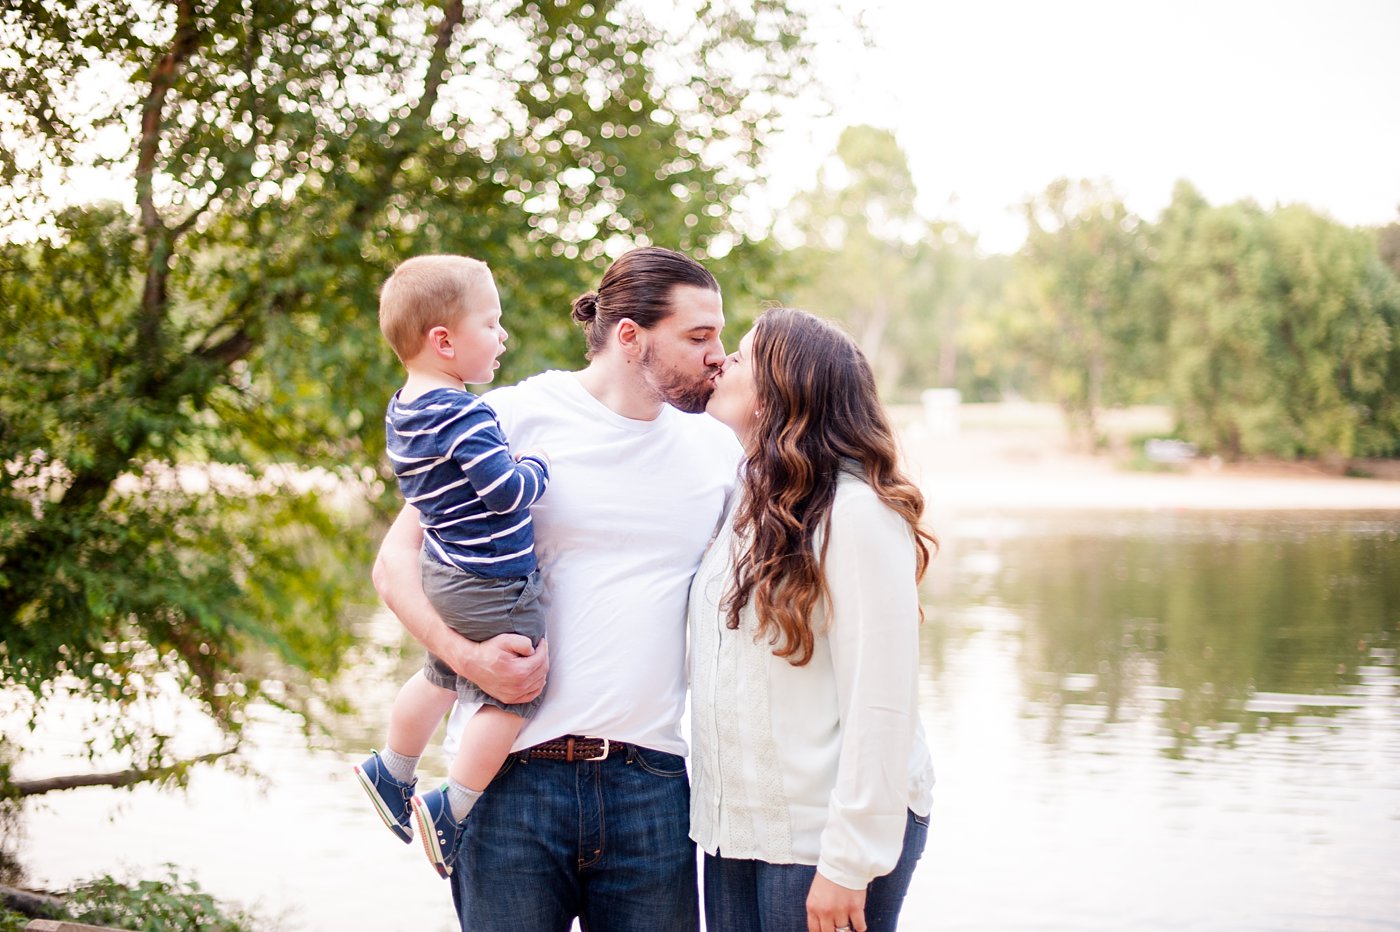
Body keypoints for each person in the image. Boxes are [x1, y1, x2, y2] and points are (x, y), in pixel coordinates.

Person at [372, 246, 741, 931]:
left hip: (653, 784)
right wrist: (465, 657)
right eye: (698, 337)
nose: (718, 354)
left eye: (718, 336)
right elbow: (394, 563)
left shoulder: (720, 449)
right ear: (630, 335)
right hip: (507, 781)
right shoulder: (511, 416)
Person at [688, 307, 937, 932]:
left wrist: (848, 863)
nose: (722, 361)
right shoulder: (749, 505)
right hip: (732, 832)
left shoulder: (857, 515)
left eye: (742, 354)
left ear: (784, 389)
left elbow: (882, 702)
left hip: (824, 843)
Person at [354, 255, 551, 878]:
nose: (503, 337)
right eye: (491, 324)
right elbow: (505, 493)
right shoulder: (465, 414)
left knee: (443, 674)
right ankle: (452, 806)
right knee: (517, 690)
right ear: (444, 341)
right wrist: (539, 468)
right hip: (493, 580)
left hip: (445, 572)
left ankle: (392, 766)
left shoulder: (403, 408)